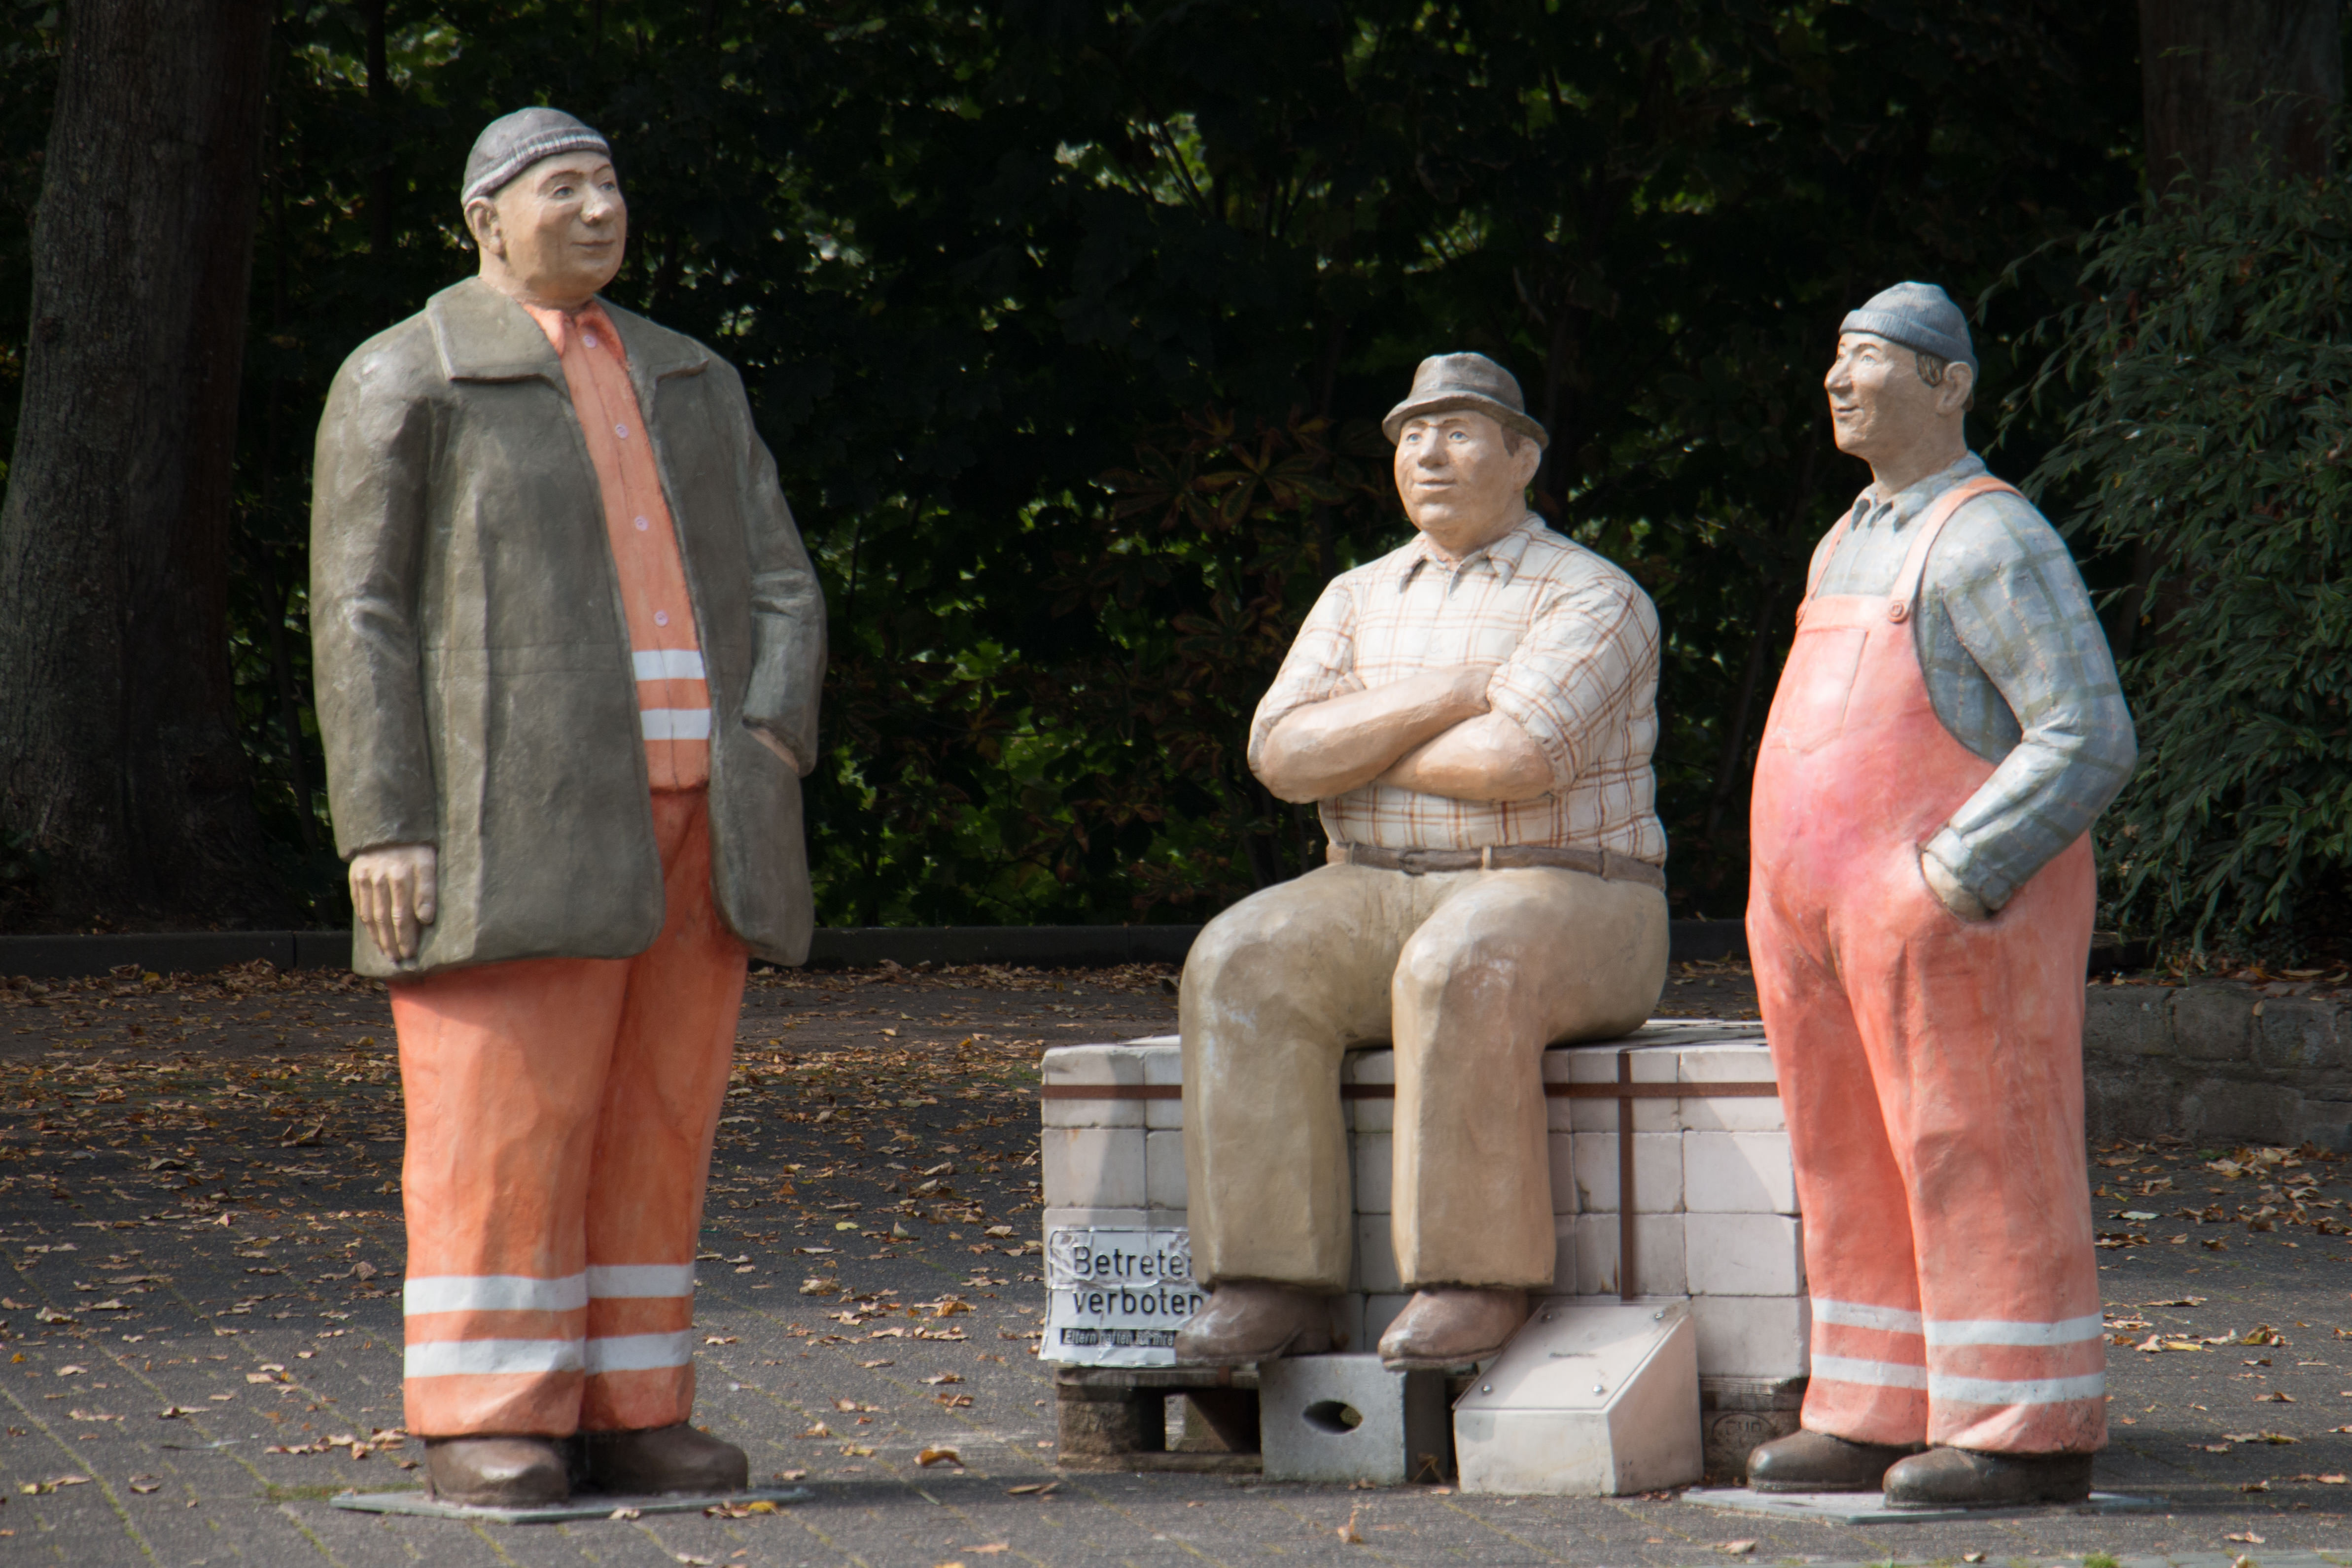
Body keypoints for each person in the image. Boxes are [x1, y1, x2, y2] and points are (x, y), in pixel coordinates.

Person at [310, 107, 825, 1507]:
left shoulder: (691, 375)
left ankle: (634, 1401)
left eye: (608, 183)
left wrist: (768, 737)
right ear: (486, 218)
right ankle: (490, 1404)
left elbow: (782, 578)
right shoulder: (407, 373)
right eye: (563, 187)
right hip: (506, 821)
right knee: (503, 1118)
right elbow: (357, 613)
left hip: (705, 813)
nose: (599, 208)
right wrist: (385, 820)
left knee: (660, 1119)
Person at [1170, 353, 1670, 1371]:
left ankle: (1474, 1276)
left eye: (1458, 431)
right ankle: (1270, 1279)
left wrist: (1354, 742)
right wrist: (1449, 694)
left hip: (1573, 887)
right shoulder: (1358, 595)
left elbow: (1516, 760)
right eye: (1410, 435)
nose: (1428, 455)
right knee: (1240, 957)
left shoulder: (1591, 595)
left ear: (1523, 456)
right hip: (1368, 879)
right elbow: (1278, 755)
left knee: (1460, 960)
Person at [1742, 282, 2137, 1507]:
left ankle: (2019, 1421)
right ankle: (1873, 1402)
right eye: (1836, 356)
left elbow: (2085, 733)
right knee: (1844, 1156)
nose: (1837, 379)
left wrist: (1956, 877)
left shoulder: (1989, 535)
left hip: (1945, 924)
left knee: (1977, 1148)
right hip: (1817, 928)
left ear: (1949, 384)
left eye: (1868, 358)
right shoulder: (1844, 539)